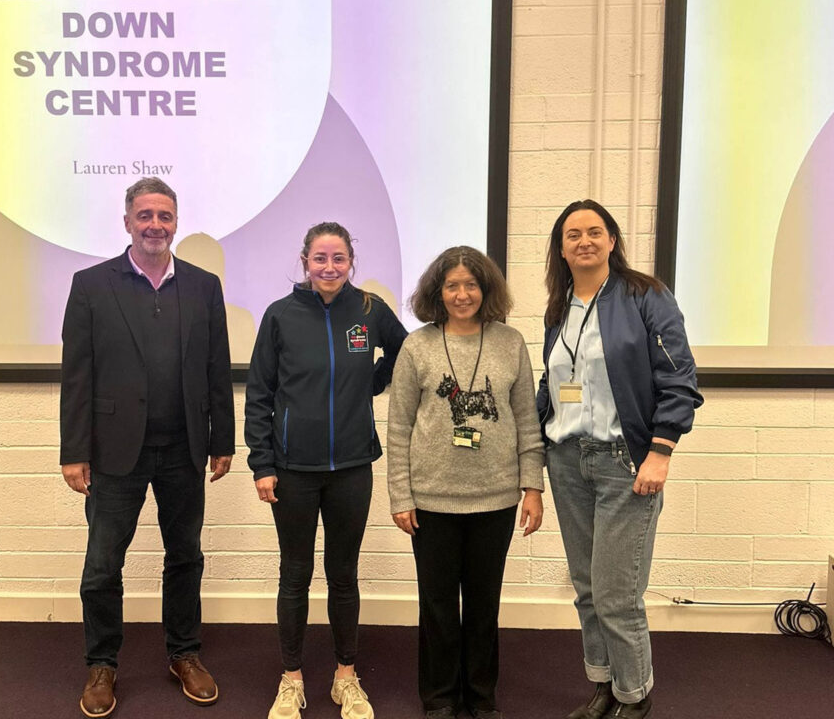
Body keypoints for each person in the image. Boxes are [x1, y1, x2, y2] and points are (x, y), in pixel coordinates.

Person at [60, 177, 235, 718]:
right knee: (102, 564)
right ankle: (102, 664)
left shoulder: (204, 287)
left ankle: (183, 654)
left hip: (184, 448)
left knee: (185, 557)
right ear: (128, 221)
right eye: (144, 215)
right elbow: (78, 375)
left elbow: (215, 368)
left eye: (164, 215)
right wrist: (73, 450)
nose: (154, 224)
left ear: (175, 222)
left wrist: (222, 440)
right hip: (115, 453)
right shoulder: (91, 285)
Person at [537, 200, 703, 719]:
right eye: (572, 235)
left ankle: (635, 697)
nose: (583, 241)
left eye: (594, 231)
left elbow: (679, 380)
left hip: (624, 464)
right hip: (567, 462)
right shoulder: (559, 306)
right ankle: (604, 685)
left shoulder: (645, 296)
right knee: (587, 590)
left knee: (617, 593)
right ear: (560, 249)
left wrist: (661, 450)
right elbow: (555, 383)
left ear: (611, 240)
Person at [245, 222, 407, 719]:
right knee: (294, 575)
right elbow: (260, 395)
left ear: (351, 261)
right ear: (305, 262)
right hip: (292, 469)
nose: (329, 267)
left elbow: (405, 354)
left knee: (343, 574)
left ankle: (345, 676)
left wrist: (372, 386)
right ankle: (291, 679)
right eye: (320, 258)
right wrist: (262, 464)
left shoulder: (370, 311)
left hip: (353, 467)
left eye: (338, 258)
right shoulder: (279, 316)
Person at [386, 246, 545, 719]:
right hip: (431, 501)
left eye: (471, 285)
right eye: (452, 286)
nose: (462, 294)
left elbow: (526, 420)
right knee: (436, 608)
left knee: (482, 609)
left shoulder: (510, 343)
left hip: (494, 500)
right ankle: (438, 700)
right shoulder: (417, 347)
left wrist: (532, 486)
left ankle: (481, 698)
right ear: (438, 292)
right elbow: (398, 427)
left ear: (486, 289)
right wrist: (401, 494)